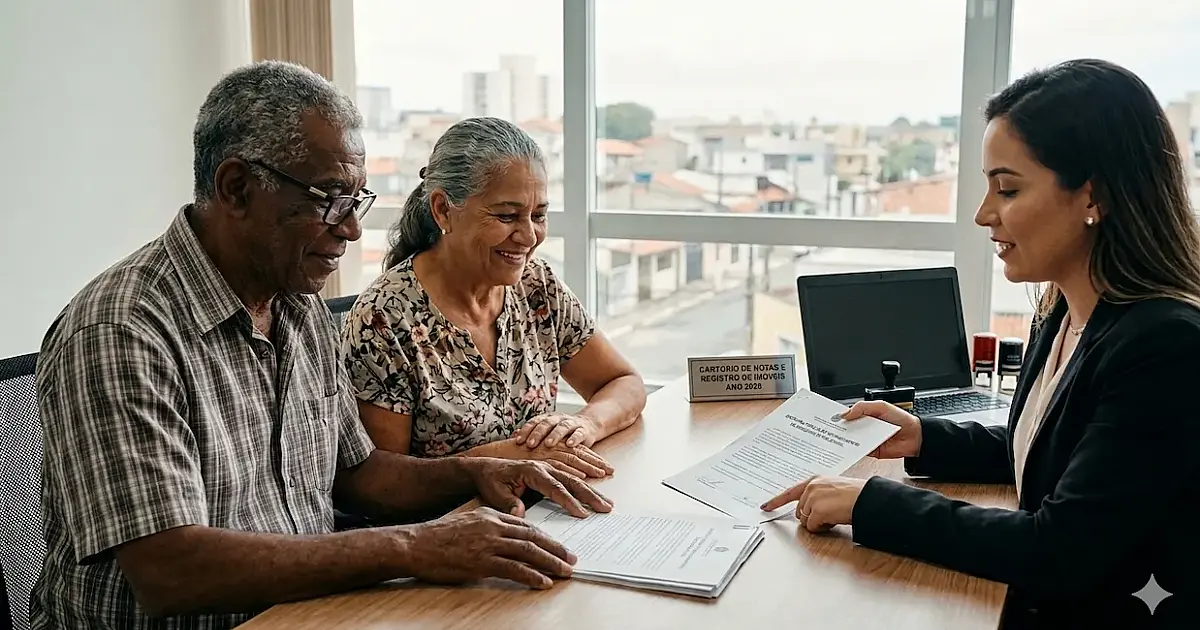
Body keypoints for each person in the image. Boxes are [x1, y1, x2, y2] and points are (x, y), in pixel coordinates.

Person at [30, 61, 611, 630]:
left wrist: (479, 472)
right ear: (236, 188)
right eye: (329, 197)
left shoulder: (296, 306)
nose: (352, 229)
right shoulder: (121, 333)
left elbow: (359, 474)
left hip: (313, 611)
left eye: (355, 201)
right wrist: (413, 546)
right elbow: (171, 570)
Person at [763, 59, 1200, 625]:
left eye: (1008, 189)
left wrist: (871, 503)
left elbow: (1061, 550)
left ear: (1094, 197)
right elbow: (1053, 451)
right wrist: (924, 437)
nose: (982, 214)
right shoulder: (1065, 310)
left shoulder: (1166, 347)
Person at [341, 117, 646, 479]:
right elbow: (378, 482)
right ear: (442, 210)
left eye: (539, 215)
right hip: (452, 527)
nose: (529, 236)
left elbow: (623, 382)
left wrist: (587, 424)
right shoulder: (385, 318)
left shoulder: (536, 285)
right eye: (507, 216)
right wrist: (503, 460)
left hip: (539, 509)